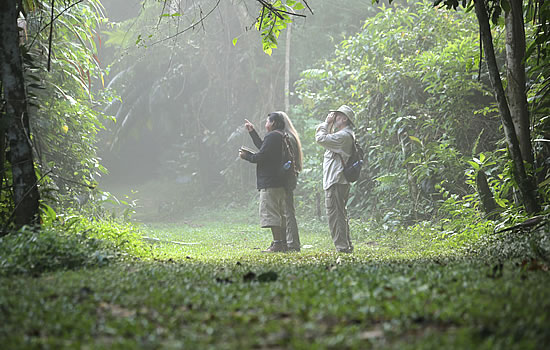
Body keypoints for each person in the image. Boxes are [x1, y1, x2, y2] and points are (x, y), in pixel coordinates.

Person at [240, 112, 288, 252]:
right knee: (280, 214)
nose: (266, 124)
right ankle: (283, 243)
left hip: (270, 181)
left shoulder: (272, 136)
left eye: (267, 121)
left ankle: (278, 244)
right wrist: (252, 132)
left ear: (273, 123)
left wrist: (246, 156)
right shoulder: (281, 135)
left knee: (271, 214)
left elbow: (261, 156)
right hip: (279, 181)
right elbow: (264, 148)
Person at [315, 105, 356, 253]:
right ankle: (346, 244)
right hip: (339, 180)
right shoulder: (344, 134)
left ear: (345, 119)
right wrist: (331, 125)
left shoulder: (343, 136)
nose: (334, 118)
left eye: (338, 116)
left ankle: (342, 247)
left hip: (336, 180)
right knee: (340, 213)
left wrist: (326, 123)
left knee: (335, 214)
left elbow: (320, 138)